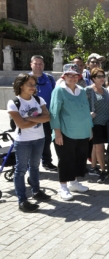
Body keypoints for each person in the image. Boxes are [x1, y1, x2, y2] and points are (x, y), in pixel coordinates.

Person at [7, 74, 51, 212]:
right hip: (23, 142)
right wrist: (38, 118)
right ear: (21, 86)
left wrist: (28, 118)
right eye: (29, 84)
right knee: (20, 170)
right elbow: (21, 124)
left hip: (39, 138)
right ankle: (22, 200)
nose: (33, 87)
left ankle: (36, 191)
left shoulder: (39, 99)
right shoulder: (14, 102)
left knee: (35, 166)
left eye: (34, 84)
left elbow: (48, 117)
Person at [50, 65, 93, 201]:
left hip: (82, 132)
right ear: (64, 77)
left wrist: (89, 129)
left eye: (76, 75)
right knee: (66, 160)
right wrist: (57, 133)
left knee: (79, 159)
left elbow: (86, 111)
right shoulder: (59, 91)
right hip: (65, 133)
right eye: (70, 75)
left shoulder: (81, 90)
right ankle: (63, 187)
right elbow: (54, 113)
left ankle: (73, 183)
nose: (73, 78)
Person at [28, 55, 57, 171]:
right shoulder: (25, 79)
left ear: (44, 65)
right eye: (36, 63)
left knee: (46, 139)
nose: (38, 66)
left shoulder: (49, 79)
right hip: (30, 116)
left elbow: (55, 96)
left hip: (46, 116)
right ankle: (32, 166)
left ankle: (46, 162)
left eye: (41, 63)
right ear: (31, 64)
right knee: (32, 141)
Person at [84, 68, 109, 183]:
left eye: (102, 76)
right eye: (99, 76)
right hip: (95, 123)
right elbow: (82, 106)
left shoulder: (106, 90)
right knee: (99, 148)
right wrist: (88, 113)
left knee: (96, 147)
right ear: (93, 78)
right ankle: (103, 171)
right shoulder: (88, 90)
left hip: (106, 122)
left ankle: (93, 167)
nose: (101, 78)